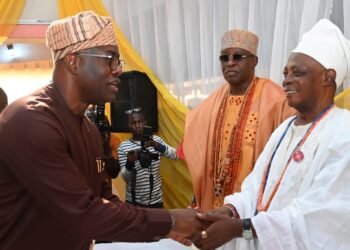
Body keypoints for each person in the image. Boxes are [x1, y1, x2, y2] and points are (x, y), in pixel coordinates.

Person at [0, 11, 203, 250]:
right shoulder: (30, 120)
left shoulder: (90, 130)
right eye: (110, 59)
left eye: (118, 61)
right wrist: (170, 221)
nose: (118, 70)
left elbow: (105, 202)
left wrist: (165, 232)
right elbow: (84, 214)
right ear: (74, 61)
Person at [192, 19, 350, 250]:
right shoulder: (284, 130)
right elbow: (255, 188)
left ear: (328, 77)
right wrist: (229, 210)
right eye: (285, 73)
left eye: (298, 73)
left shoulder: (343, 131)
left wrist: (241, 228)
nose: (286, 80)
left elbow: (321, 216)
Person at [182, 29, 295, 211]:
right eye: (224, 58)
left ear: (254, 61)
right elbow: (196, 149)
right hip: (215, 201)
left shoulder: (277, 100)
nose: (230, 63)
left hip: (256, 207)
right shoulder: (211, 103)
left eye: (238, 56)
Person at [118, 108, 178, 208]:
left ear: (145, 123)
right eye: (133, 123)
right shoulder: (123, 147)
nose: (137, 126)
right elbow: (125, 178)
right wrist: (129, 162)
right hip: (133, 202)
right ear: (128, 125)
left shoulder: (156, 140)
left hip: (156, 201)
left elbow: (176, 155)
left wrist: (157, 146)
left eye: (140, 122)